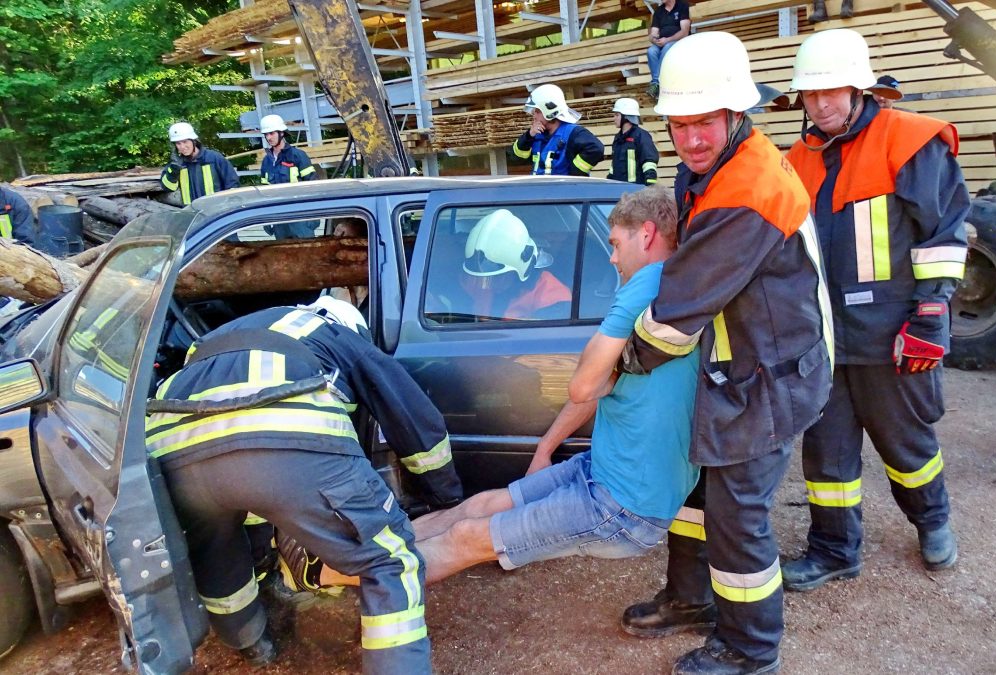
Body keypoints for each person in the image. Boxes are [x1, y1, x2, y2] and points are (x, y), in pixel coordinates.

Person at [275, 184, 700, 596]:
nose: (610, 257)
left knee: (467, 539)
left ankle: (324, 572)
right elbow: (602, 385)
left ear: (645, 234)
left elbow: (583, 383)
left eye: (615, 244)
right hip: (600, 469)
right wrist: (544, 448)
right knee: (474, 509)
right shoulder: (669, 294)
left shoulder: (648, 286)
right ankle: (354, 551)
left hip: (622, 505)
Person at [619, 32, 833, 675]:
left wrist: (618, 367)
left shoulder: (746, 188)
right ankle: (692, 599)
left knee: (737, 513)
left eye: (703, 123)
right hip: (736, 368)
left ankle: (750, 647)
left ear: (737, 113)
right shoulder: (712, 167)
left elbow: (678, 312)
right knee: (698, 494)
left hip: (766, 375)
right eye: (679, 125)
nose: (689, 139)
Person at [145, 296, 462, 672]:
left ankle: (249, 642)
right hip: (284, 431)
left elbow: (234, 459)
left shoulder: (214, 339)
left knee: (217, 549)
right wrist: (445, 494)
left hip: (171, 447)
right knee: (389, 560)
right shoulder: (335, 334)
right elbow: (413, 418)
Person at [782, 28, 969, 591]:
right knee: (827, 455)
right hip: (824, 341)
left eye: (830, 92)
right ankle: (834, 548)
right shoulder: (797, 159)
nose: (820, 104)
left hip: (892, 334)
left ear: (859, 88)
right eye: (810, 96)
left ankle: (933, 522)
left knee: (907, 444)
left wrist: (931, 315)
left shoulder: (909, 141)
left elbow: (943, 231)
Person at [458, 209, 572, 320]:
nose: (490, 285)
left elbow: (547, 336)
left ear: (521, 270)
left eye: (498, 277)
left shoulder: (552, 296)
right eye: (487, 278)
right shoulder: (475, 281)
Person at [511, 84, 604, 176]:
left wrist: (575, 173)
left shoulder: (573, 132)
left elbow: (596, 149)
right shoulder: (536, 133)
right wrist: (529, 135)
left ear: (550, 111)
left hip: (564, 190)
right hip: (540, 189)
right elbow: (517, 157)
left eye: (537, 111)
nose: (534, 116)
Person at [259, 114, 320, 239]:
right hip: (279, 221)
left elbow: (313, 186)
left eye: (271, 133)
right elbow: (264, 194)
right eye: (266, 134)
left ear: (281, 133)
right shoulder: (266, 162)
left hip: (300, 219)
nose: (268, 137)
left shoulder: (298, 156)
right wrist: (265, 218)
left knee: (307, 254)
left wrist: (313, 217)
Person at [159, 122, 240, 206]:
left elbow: (232, 184)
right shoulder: (176, 164)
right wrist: (173, 172)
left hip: (216, 212)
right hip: (192, 213)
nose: (182, 147)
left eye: (185, 141)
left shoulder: (214, 158)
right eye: (178, 143)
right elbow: (168, 188)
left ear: (194, 141)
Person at [607, 98, 660, 184]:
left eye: (617, 115)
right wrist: (609, 180)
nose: (614, 118)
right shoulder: (618, 138)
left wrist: (650, 182)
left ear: (626, 117)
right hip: (618, 188)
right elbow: (614, 164)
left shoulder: (641, 136)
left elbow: (649, 161)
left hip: (636, 189)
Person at [646, 0, 691, 101]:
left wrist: (667, 40)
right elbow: (653, 33)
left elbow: (684, 31)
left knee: (667, 48)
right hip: (662, 42)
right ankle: (656, 84)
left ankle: (656, 83)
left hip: (678, 41)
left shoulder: (682, 6)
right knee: (651, 51)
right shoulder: (658, 11)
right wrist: (654, 39)